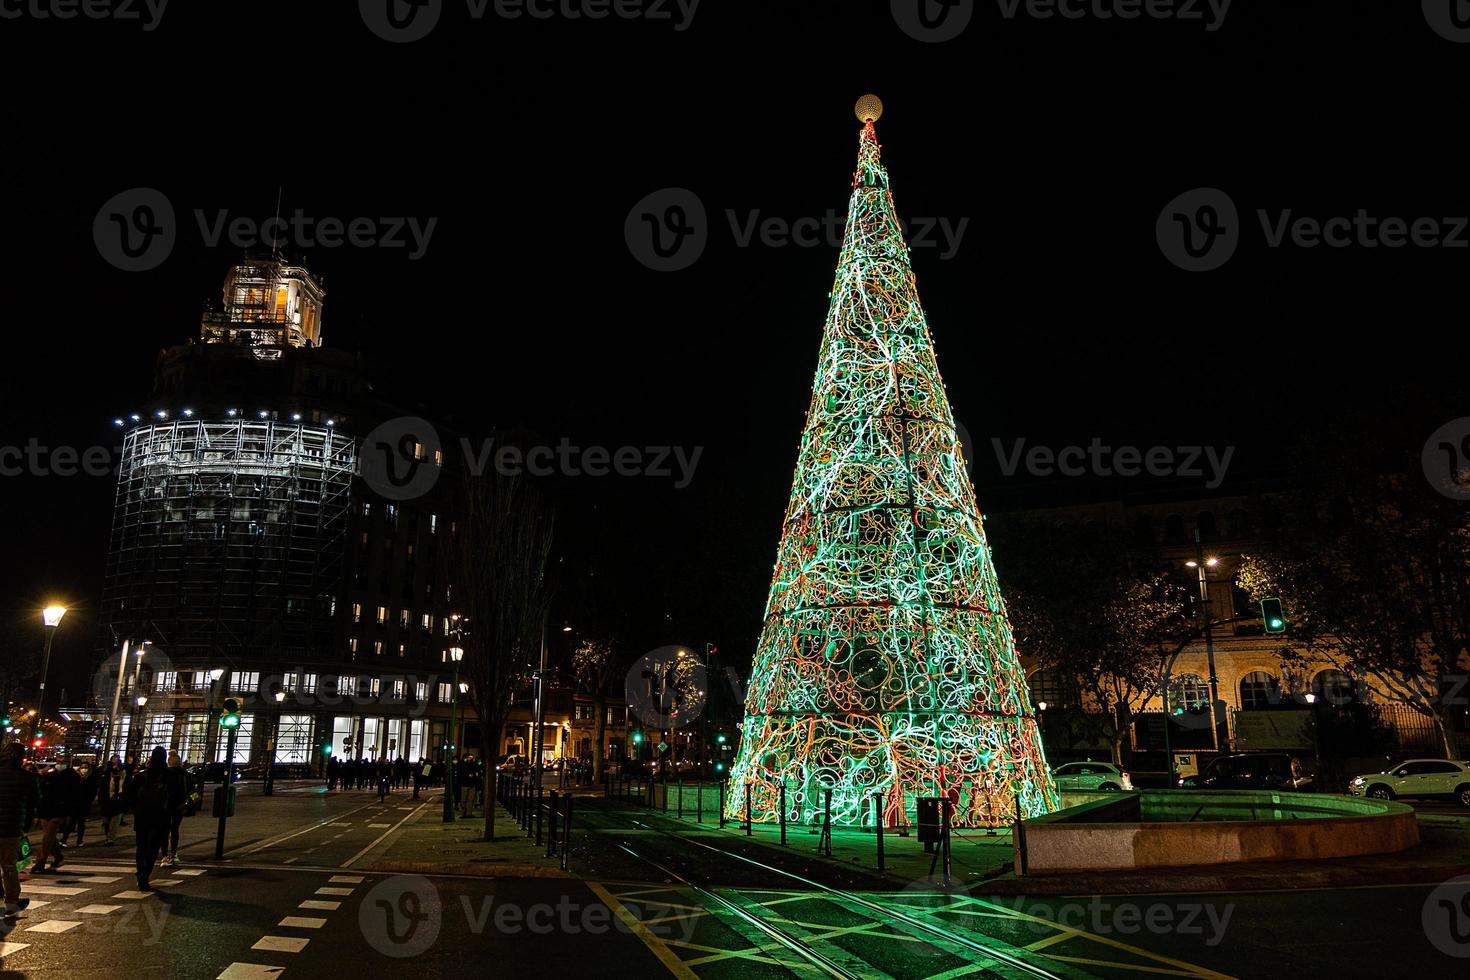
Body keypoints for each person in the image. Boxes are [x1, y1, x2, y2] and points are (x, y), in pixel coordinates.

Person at [0, 742, 39, 915]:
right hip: (11, 827)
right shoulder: (27, 777)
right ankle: (11, 901)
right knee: (9, 865)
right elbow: (35, 801)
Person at [129, 747, 169, 891]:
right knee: (153, 847)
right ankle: (146, 873)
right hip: (160, 816)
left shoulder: (141, 776)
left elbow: (130, 796)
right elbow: (176, 796)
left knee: (141, 847)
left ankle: (140, 872)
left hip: (142, 816)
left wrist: (135, 809)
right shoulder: (168, 775)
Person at [63, 760, 98, 847]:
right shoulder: (75, 777)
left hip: (84, 804)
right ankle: (64, 840)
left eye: (85, 768)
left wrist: (89, 801)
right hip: (73, 803)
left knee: (81, 823)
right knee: (69, 822)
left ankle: (79, 840)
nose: (83, 769)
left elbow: (92, 792)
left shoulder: (91, 778)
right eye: (82, 767)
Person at [162, 752, 188, 867]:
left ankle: (164, 856)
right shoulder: (185, 775)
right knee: (175, 829)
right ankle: (174, 853)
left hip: (166, 805)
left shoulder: (164, 774)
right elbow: (192, 791)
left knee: (164, 830)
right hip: (179, 806)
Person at [99, 756, 125, 844]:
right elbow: (102, 786)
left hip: (117, 799)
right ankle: (108, 836)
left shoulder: (122, 773)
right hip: (106, 799)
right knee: (106, 821)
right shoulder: (106, 773)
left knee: (115, 820)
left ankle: (111, 838)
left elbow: (124, 785)